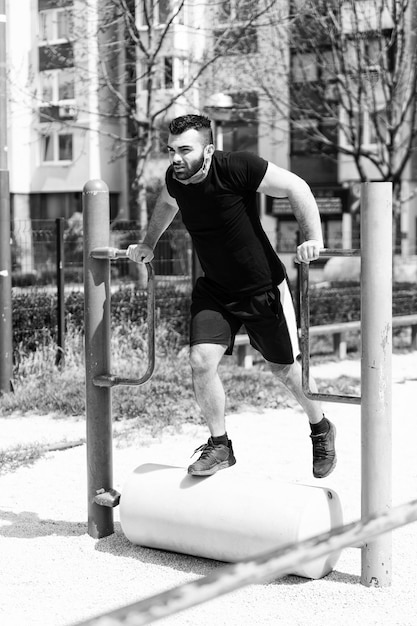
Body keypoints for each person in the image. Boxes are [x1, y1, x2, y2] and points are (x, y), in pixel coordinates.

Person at [127, 113, 336, 479]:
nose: (176, 158)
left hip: (262, 287)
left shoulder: (237, 166)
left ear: (208, 149)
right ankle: (220, 445)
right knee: (200, 361)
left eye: (185, 150)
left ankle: (321, 428)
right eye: (171, 150)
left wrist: (312, 237)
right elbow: (166, 205)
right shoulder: (175, 179)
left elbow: (297, 186)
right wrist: (148, 243)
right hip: (215, 289)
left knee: (286, 372)